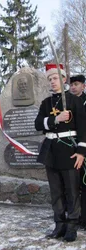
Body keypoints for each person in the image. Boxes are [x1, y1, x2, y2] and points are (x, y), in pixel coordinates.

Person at [35, 64, 86, 242]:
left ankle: (72, 225)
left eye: (55, 78)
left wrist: (81, 152)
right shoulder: (46, 103)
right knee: (56, 192)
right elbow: (38, 124)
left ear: (64, 79)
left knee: (72, 191)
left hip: (69, 151)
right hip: (51, 151)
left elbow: (83, 128)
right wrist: (55, 119)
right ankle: (60, 224)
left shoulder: (74, 101)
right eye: (50, 79)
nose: (52, 81)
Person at [69, 74, 86, 230]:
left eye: (76, 84)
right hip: (71, 148)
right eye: (71, 84)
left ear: (83, 86)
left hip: (84, 148)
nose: (73, 87)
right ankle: (76, 216)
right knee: (74, 184)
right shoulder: (67, 102)